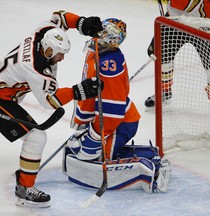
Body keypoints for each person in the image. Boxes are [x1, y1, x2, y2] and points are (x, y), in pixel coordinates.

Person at [0, 10, 104, 208]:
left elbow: (61, 17)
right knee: (36, 137)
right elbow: (49, 102)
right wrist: (79, 91)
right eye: (59, 54)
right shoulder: (36, 68)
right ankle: (25, 190)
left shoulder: (42, 33)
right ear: (48, 51)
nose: (62, 59)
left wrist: (83, 23)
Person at [63, 18, 171, 193]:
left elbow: (112, 110)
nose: (95, 36)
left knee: (100, 158)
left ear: (110, 40)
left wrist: (96, 134)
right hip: (105, 119)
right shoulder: (96, 52)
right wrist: (84, 121)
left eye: (101, 34)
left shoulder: (108, 66)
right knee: (93, 153)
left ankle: (153, 163)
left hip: (119, 123)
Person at [145, 0, 210, 116]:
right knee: (161, 58)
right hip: (175, 20)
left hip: (204, 24)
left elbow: (189, 4)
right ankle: (164, 91)